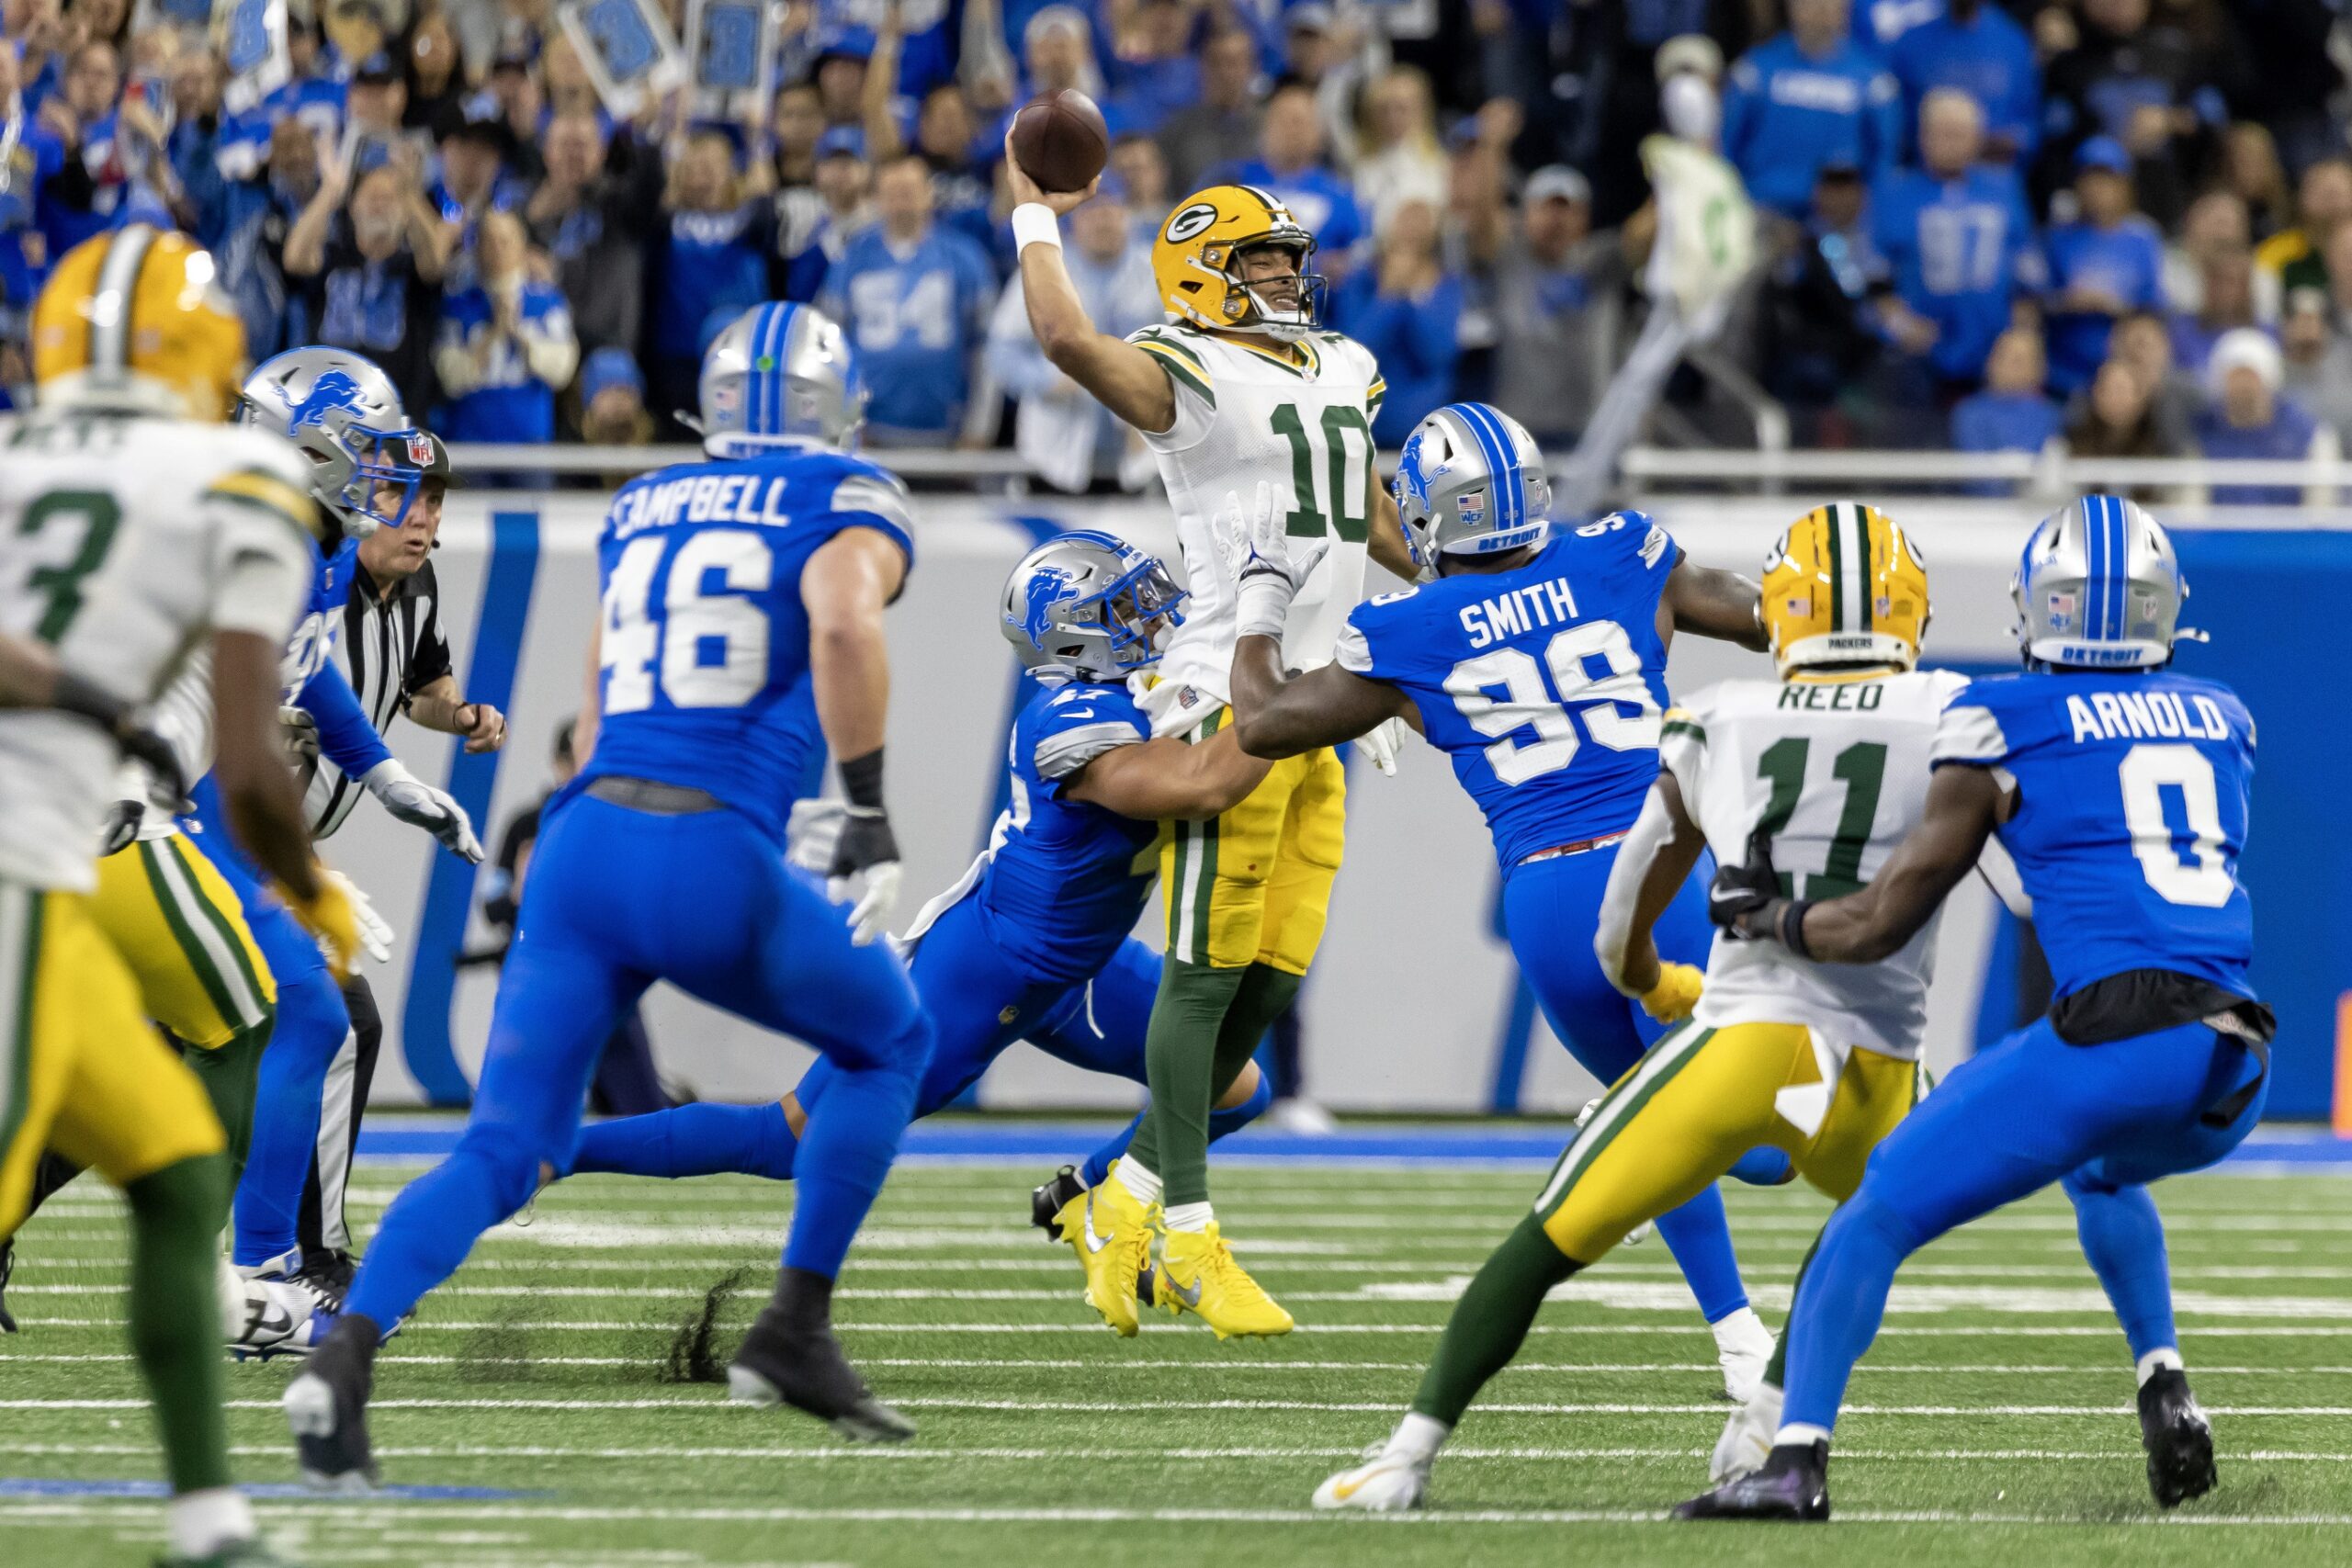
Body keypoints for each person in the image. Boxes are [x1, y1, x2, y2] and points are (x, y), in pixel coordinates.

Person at [283, 302, 933, 1483]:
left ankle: (342, 1362)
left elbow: (586, 724)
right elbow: (841, 621)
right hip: (708, 845)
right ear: (836, 410)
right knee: (892, 1039)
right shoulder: (849, 493)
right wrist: (874, 804)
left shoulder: (642, 506)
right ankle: (794, 1324)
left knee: (504, 1143)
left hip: (584, 845)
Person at [1310, 499, 1951, 1512]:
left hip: (1581, 910)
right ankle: (1779, 1410)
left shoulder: (1723, 718)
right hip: (1870, 1040)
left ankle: (1405, 1456)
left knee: (1553, 1231)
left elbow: (1266, 722)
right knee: (1857, 1204)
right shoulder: (1956, 712)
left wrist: (1648, 975)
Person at [1679, 495, 2268, 1520]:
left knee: (1876, 1210)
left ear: (2035, 605)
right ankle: (2165, 1383)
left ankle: (1793, 1462)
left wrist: (1768, 917)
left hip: (2117, 1042)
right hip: (2234, 1060)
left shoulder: (2002, 715)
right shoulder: (2223, 715)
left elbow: (1875, 925)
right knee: (2097, 1167)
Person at [1210, 402, 1786, 1390]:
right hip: (1666, 866)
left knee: (1667, 1119)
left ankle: (1726, 1318)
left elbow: (1260, 725)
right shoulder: (1620, 556)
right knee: (1744, 1139)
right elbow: (1770, 617)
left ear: (1434, 516)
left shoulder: (1409, 629)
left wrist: (1259, 595)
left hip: (1551, 904)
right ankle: (1741, 1336)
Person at [560, 534, 1278, 1270]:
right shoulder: (1069, 722)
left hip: (1080, 966)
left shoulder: (1137, 694)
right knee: (783, 1142)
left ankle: (1083, 1193)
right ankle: (553, 1150)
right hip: (986, 968)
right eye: (1123, 605)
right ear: (1074, 637)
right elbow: (1204, 784)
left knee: (1234, 1087)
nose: (1151, 615)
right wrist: (1284, 693)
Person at [0, 223, 359, 1568]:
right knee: (254, 1007)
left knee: (152, 1147)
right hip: (61, 844)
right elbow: (259, 772)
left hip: (58, 841)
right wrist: (311, 883)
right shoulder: (233, 479)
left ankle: (207, 1518)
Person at [1007, 163, 1411, 1339]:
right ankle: (1185, 1235)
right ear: (1200, 274)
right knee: (1199, 972)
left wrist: (1442, 594)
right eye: (1258, 260)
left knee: (1264, 989)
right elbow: (1063, 336)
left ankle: (1110, 1197)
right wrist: (1036, 206)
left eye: (1289, 255)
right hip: (1225, 692)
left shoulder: (1339, 365)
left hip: (1327, 700)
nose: (1285, 273)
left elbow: (1360, 503)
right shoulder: (1186, 369)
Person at [293, 431, 505, 1290]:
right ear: (355, 492)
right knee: (342, 1025)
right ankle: (311, 1262)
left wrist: (461, 718)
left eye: (435, 501)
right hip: (227, 836)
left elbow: (421, 691)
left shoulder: (415, 586)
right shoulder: (307, 580)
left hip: (271, 844)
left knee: (162, 1050)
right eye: (404, 495)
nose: (423, 518)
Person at [984, 175, 1160, 492]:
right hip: (1053, 450)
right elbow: (1001, 351)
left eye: (1110, 211)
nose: (1102, 221)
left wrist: (1152, 393)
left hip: (1138, 447)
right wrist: (1047, 380)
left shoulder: (1158, 271)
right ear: (1073, 221)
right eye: (1092, 212)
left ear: (1126, 216)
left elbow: (1189, 348)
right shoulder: (1044, 268)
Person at [820, 153, 996, 446]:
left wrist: (979, 427)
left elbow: (986, 349)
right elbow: (831, 346)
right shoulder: (852, 258)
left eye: (909, 191)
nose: (901, 201)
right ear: (876, 199)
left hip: (947, 427)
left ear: (929, 194)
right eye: (892, 193)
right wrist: (844, 423)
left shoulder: (964, 257)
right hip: (870, 430)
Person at [1869, 89, 2039, 393]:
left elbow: (2028, 270)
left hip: (1995, 354)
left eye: (1960, 133)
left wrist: (2023, 333)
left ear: (1978, 138)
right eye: (1943, 133)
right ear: (1923, 137)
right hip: (1917, 357)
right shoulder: (1893, 194)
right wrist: (1902, 327)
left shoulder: (2004, 188)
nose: (1952, 143)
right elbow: (1872, 281)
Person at [282, 146, 453, 415]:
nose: (380, 204)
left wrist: (411, 194)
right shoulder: (334, 257)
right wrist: (329, 191)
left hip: (399, 422)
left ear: (405, 210)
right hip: (330, 421)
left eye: (389, 198)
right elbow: (295, 259)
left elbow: (435, 263)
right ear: (352, 207)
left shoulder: (413, 266)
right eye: (372, 196)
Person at [1720, 0, 1902, 220]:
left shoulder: (1872, 80)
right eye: (1810, 4)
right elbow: (1727, 143)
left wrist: (1867, 209)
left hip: (1841, 216)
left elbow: (1885, 156)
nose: (1819, 12)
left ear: (1844, 10)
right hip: (1763, 206)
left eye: (1828, 5)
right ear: (1791, 7)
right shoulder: (1755, 70)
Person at [1490, 165, 1627, 448]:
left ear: (1585, 217)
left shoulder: (1601, 261)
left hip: (1585, 432)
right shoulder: (1506, 260)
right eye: (1546, 209)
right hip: (1514, 432)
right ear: (1525, 214)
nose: (1556, 220)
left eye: (1567, 210)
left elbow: (1639, 242)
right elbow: (1482, 220)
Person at [432, 209, 579, 454]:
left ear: (523, 246)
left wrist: (518, 334)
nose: (497, 249)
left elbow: (561, 371)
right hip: (470, 442)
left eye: (505, 240)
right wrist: (493, 334)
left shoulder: (547, 303)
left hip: (530, 441)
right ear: (477, 249)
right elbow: (451, 379)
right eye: (489, 241)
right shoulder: (458, 305)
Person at [1329, 199, 1461, 447]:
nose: (1413, 228)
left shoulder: (1446, 285)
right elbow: (1355, 352)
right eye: (1405, 217)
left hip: (1424, 436)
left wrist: (1408, 301)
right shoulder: (1360, 280)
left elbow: (1437, 354)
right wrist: (1390, 297)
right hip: (1363, 432)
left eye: (1422, 218)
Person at [2041, 136, 2166, 397]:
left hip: (2127, 377)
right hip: (2064, 374)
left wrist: (2115, 306)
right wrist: (2069, 302)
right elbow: (2037, 302)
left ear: (2124, 185)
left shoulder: (2143, 238)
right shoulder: (2057, 238)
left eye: (2107, 179)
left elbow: (2155, 308)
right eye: (2090, 178)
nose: (2098, 188)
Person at [1209, 81, 1366, 276]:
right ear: (1265, 126)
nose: (1293, 131)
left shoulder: (1340, 195)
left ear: (1319, 133)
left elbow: (1359, 260)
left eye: (1301, 122)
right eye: (1283, 120)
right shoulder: (1230, 181)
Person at [2190, 326, 2335, 506]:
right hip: (2220, 533)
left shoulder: (2308, 436)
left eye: (2251, 377)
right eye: (2236, 377)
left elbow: (2321, 512)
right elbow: (2192, 511)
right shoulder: (2201, 436)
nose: (2244, 387)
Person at [1883, 0, 2039, 163]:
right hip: (1925, 173)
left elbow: (2029, 128)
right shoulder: (1910, 43)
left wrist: (1975, 145)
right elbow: (1895, 127)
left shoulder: (2014, 43)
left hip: (1996, 173)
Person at [1154, 28, 1260, 197]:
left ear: (1251, 67)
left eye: (1234, 63)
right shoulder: (1177, 130)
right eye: (1216, 63)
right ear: (1203, 68)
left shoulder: (1269, 128)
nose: (1225, 73)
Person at [1950, 328, 2060, 490]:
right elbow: (1975, 473)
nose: (2006, 365)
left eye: (2018, 360)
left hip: (2036, 507)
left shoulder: (2053, 416)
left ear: (2039, 367)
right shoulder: (1968, 413)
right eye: (2001, 356)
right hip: (1978, 509)